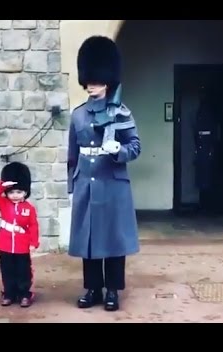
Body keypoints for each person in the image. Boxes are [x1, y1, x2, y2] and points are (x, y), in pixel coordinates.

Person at [67, 35, 141, 312]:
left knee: (112, 240)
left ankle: (112, 290)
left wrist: (118, 149)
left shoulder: (121, 113)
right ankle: (92, 288)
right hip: (87, 183)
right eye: (88, 80)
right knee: (88, 241)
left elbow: (135, 146)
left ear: (108, 80)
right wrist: (72, 187)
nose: (91, 85)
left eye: (96, 80)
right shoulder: (78, 115)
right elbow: (72, 156)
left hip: (113, 183)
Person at [0, 162, 40, 307]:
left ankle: (24, 293)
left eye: (19, 192)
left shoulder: (29, 208)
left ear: (25, 192)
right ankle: (9, 293)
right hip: (5, 243)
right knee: (7, 270)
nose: (15, 195)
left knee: (23, 270)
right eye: (11, 192)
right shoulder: (3, 203)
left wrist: (33, 242)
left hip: (21, 244)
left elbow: (33, 225)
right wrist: (3, 184)